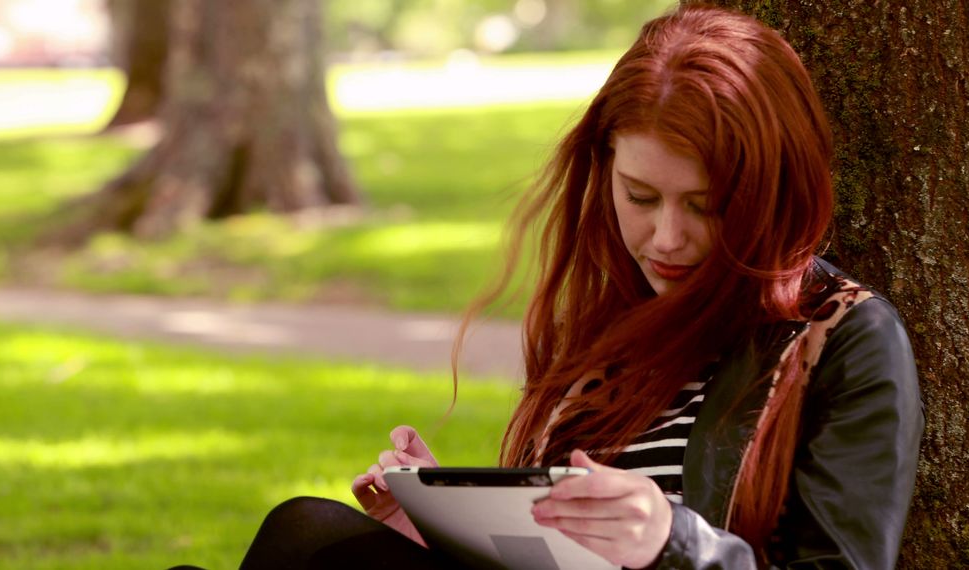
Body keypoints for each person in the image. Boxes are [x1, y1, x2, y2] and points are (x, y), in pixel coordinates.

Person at [237, 2, 924, 568]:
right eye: (641, 196)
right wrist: (445, 523)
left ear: (770, 192)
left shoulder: (845, 339)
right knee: (310, 536)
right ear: (606, 171)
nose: (667, 239)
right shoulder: (606, 323)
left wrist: (674, 543)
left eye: (706, 205)